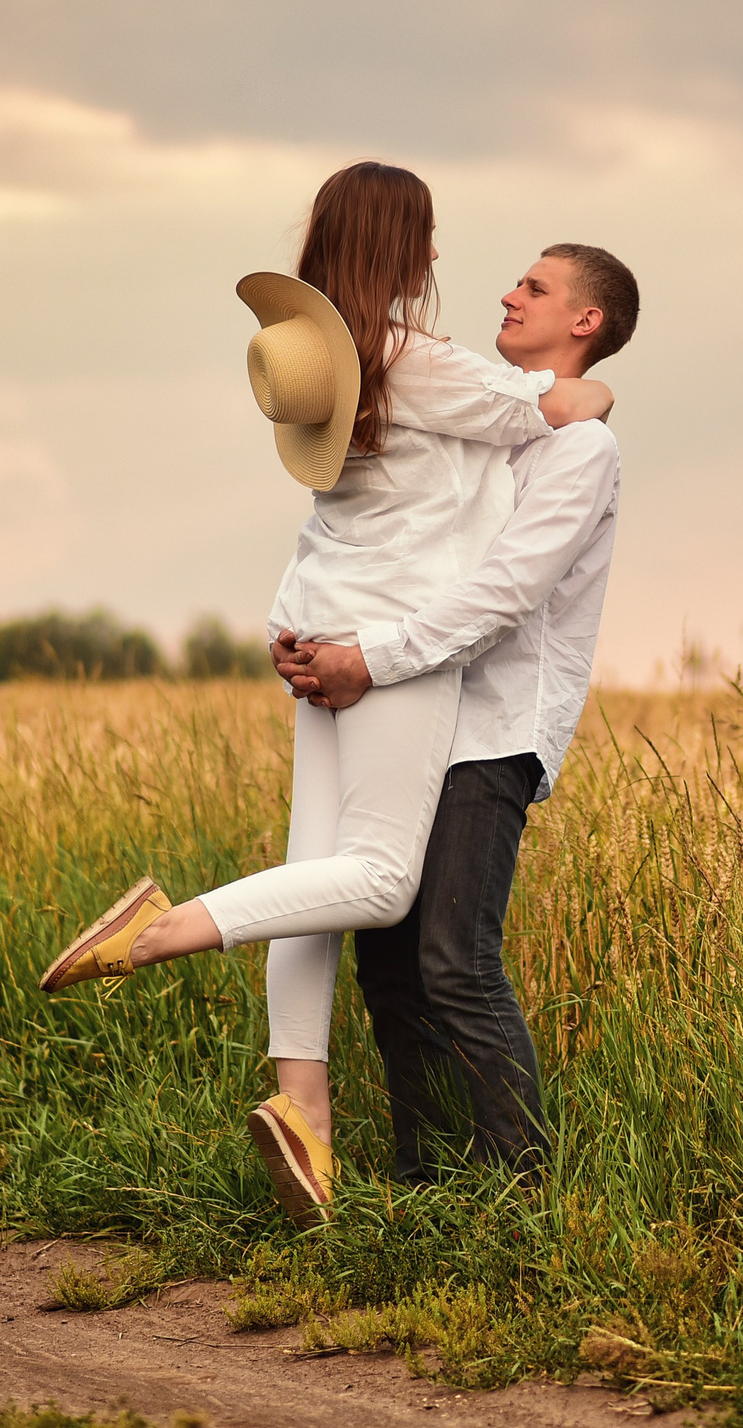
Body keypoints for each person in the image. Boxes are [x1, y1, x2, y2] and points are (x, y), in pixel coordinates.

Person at [35, 162, 612, 1227]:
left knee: (325, 877)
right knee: (381, 885)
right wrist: (589, 389)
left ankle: (306, 1106)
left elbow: (329, 528)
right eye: (425, 237)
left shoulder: (330, 372)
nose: (451, 263)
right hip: (389, 655)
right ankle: (163, 928)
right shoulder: (421, 364)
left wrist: (285, 629)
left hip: (322, 636)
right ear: (397, 245)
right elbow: (572, 408)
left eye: (532, 286)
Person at [272, 241, 636, 1185]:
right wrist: (306, 632)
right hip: (410, 718)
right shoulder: (486, 428)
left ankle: (520, 1191)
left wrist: (368, 658)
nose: (509, 295)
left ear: (586, 320)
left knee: (454, 958)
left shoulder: (582, 449)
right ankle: (424, 1186)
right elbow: (375, 536)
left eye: (536, 287)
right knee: (389, 968)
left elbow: (502, 594)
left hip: (493, 731)